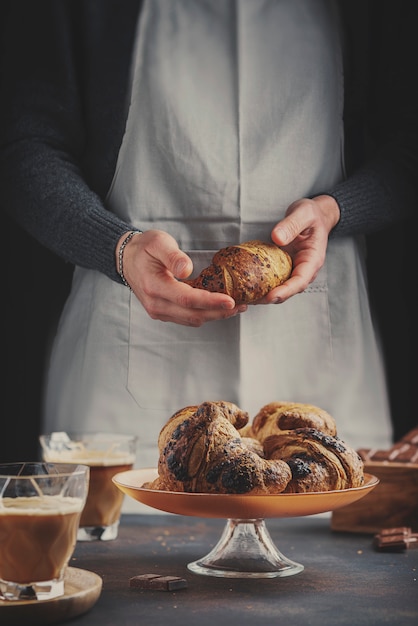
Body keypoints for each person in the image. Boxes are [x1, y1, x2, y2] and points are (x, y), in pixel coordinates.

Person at [1, 1, 417, 498]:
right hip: (129, 345)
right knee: (122, 555)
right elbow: (24, 141)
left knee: (332, 555)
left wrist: (337, 210)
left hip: (317, 337)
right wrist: (116, 247)